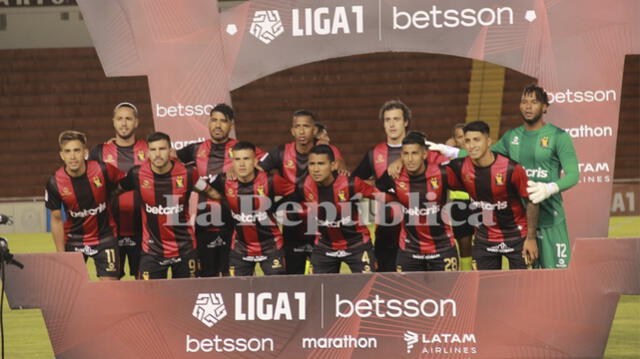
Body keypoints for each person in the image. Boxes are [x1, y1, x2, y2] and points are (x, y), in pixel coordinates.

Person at [430, 86, 578, 269]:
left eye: (534, 102)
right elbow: (482, 152)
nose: (528, 107)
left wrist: (549, 188)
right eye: (524, 102)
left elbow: (573, 175)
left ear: (545, 107)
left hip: (550, 220)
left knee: (558, 278)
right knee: (529, 283)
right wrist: (450, 151)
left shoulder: (559, 136)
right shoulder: (512, 137)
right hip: (522, 225)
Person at [117, 132, 219, 279]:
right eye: (153, 150)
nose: (158, 154)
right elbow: (114, 191)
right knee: (148, 299)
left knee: (187, 299)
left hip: (185, 249)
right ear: (148, 153)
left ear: (170, 151)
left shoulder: (189, 174)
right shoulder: (137, 174)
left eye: (162, 149)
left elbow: (211, 192)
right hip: (152, 251)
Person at [176, 104, 264, 277]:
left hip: (234, 224)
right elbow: (168, 160)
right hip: (204, 222)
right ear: (208, 123)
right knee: (206, 278)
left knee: (234, 279)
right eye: (214, 120)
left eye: (223, 121)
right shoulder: (196, 149)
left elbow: (267, 164)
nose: (218, 125)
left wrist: (242, 171)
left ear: (231, 124)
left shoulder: (242, 151)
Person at [258, 110, 347, 274]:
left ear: (314, 130)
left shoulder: (327, 151)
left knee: (323, 279)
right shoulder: (280, 152)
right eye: (297, 127)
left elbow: (342, 172)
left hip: (322, 224)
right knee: (293, 276)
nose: (301, 131)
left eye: (306, 126)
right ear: (292, 130)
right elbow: (256, 173)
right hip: (293, 223)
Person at [446, 121, 539, 270]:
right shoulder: (459, 167)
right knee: (485, 291)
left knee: (524, 290)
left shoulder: (512, 169)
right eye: (467, 141)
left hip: (516, 238)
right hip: (484, 240)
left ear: (488, 141)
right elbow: (431, 172)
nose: (471, 145)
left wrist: (531, 238)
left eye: (477, 140)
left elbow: (532, 202)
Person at [280, 145, 377, 274]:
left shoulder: (350, 183)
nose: (315, 169)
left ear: (333, 165)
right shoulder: (304, 186)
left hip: (357, 245)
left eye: (321, 164)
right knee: (318, 291)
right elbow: (284, 203)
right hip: (324, 247)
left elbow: (382, 197)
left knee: (368, 288)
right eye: (312, 164)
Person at [206, 141, 294, 276]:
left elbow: (294, 191)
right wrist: (216, 195)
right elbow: (197, 181)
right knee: (237, 292)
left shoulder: (270, 181)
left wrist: (275, 208)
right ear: (232, 162)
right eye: (237, 159)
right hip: (241, 248)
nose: (241, 164)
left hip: (271, 247)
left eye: (246, 159)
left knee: (277, 289)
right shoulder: (224, 181)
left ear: (255, 161)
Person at [45, 130, 124, 280]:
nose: (72, 156)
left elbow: (126, 182)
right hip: (74, 239)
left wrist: (114, 193)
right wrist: (61, 254)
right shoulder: (55, 182)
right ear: (61, 155)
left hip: (105, 238)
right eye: (67, 151)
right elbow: (56, 219)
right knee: (72, 290)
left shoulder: (103, 169)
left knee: (110, 290)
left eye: (77, 150)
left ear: (85, 152)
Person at [376, 132, 458, 271]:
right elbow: (378, 188)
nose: (410, 159)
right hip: (409, 249)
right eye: (405, 154)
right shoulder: (393, 176)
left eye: (415, 153)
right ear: (401, 156)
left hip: (442, 247)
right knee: (408, 293)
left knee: (449, 292)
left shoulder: (442, 173)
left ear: (424, 154)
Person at [89, 102, 148, 279]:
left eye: (128, 119)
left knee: (144, 286)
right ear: (113, 122)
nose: (124, 123)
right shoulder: (99, 152)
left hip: (143, 230)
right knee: (112, 286)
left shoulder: (149, 149)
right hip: (110, 231)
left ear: (136, 122)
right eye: (120, 119)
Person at [352, 100, 410, 272]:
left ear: (405, 122)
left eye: (397, 119)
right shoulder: (374, 153)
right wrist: (374, 188)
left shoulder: (420, 149)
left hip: (417, 226)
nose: (392, 124)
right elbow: (354, 183)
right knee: (384, 279)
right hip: (386, 226)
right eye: (387, 120)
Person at [444, 123, 474, 271]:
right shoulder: (451, 158)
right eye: (459, 137)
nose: (463, 140)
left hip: (479, 202)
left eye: (465, 136)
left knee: (480, 238)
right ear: (455, 140)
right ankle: (466, 270)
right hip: (459, 202)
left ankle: (479, 269)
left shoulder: (477, 154)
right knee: (463, 240)